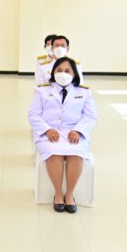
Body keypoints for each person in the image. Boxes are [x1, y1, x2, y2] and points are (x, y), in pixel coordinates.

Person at [28, 57, 97, 214]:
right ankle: (58, 194)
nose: (63, 74)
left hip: (74, 132)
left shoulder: (84, 92)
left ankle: (70, 195)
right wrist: (47, 130)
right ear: (53, 72)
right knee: (54, 154)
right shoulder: (41, 90)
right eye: (59, 70)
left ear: (74, 74)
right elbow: (33, 115)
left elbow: (90, 116)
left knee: (76, 154)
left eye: (67, 71)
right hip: (49, 133)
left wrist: (78, 130)